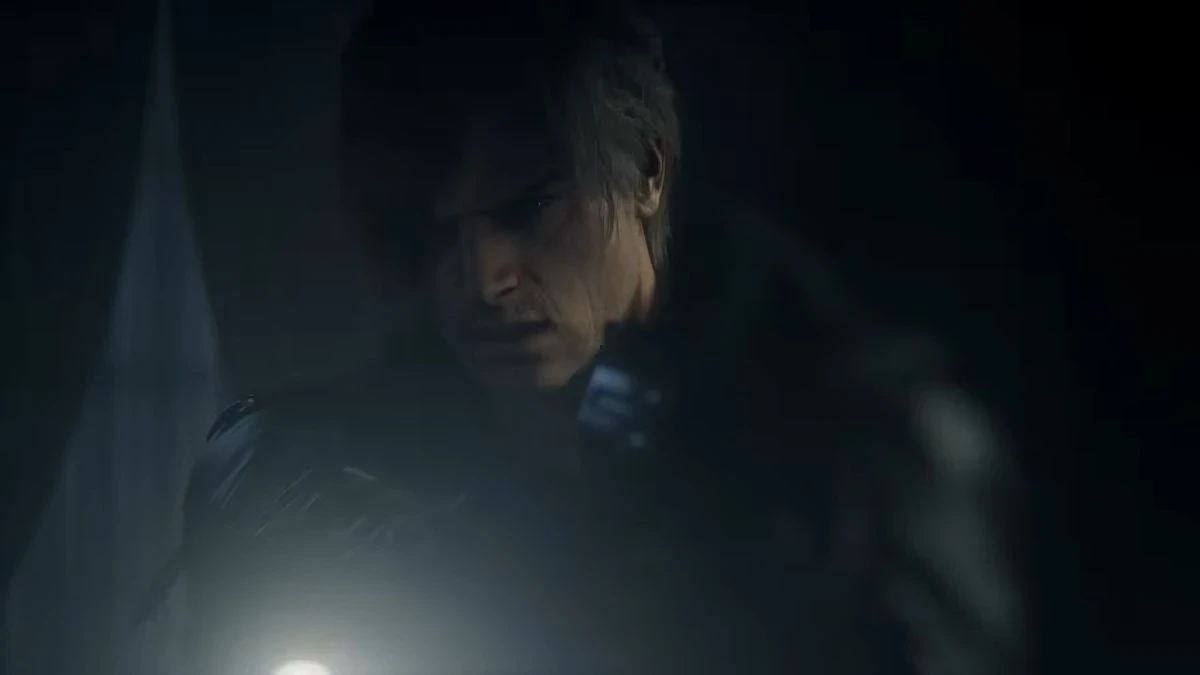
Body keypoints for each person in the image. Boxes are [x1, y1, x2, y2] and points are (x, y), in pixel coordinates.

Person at [175, 3, 1027, 674]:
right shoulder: (335, 468)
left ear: (647, 169)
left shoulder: (858, 458)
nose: (483, 277)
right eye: (436, 233)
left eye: (531, 208)